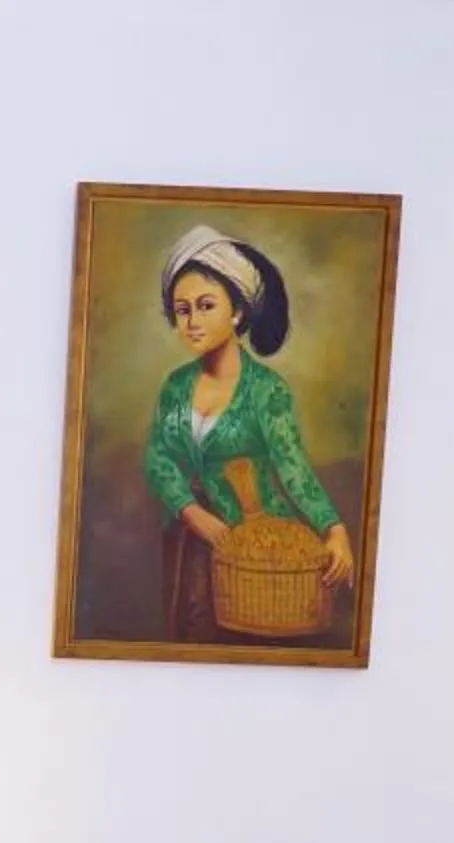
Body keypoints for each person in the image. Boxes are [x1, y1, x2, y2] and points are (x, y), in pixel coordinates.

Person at [144, 224, 356, 640]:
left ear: (238, 311)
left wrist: (334, 529)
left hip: (259, 555)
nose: (191, 322)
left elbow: (293, 467)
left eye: (205, 306)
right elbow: (159, 457)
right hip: (193, 550)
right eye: (182, 310)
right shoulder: (176, 386)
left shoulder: (266, 390)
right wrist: (193, 513)